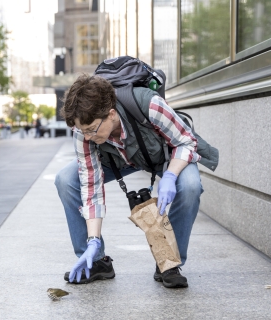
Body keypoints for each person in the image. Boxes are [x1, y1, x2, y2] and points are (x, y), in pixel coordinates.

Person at [54, 74, 216, 289]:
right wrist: (93, 238)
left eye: (92, 129)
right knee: (66, 179)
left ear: (111, 114)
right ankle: (95, 261)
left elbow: (186, 141)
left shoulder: (149, 104)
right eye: (82, 131)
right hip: (119, 159)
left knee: (190, 186)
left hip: (163, 156)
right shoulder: (84, 132)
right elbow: (90, 184)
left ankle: (168, 261)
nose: (88, 136)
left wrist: (170, 176)